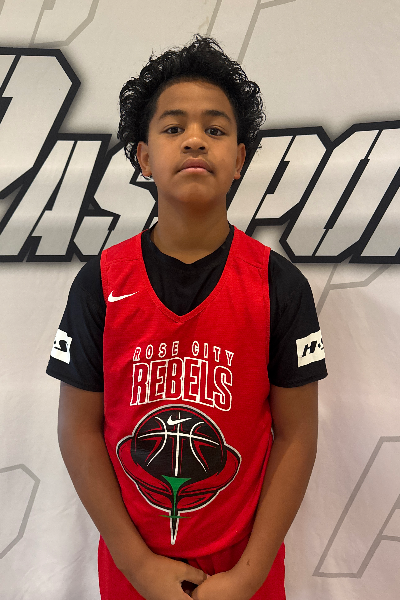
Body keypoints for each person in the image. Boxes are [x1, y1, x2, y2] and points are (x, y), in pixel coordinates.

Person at [47, 35, 327, 600]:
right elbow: (77, 428)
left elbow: (298, 434)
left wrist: (249, 574)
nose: (195, 139)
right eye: (174, 127)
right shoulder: (100, 283)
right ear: (143, 157)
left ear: (240, 159)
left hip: (242, 568)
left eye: (215, 130)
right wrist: (137, 564)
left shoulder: (279, 285)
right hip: (133, 565)